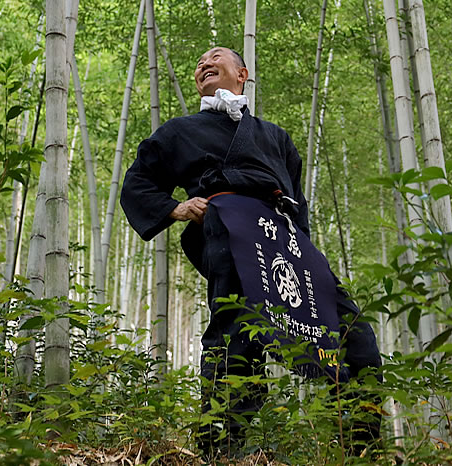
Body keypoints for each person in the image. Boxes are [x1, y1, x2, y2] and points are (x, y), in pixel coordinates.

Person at [120, 46, 382, 456]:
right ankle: (221, 450)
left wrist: (305, 250)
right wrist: (178, 207)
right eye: (199, 61)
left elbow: (297, 200)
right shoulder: (179, 131)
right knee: (238, 333)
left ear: (242, 74)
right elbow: (137, 182)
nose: (203, 62)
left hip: (284, 237)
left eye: (214, 56)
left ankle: (364, 450)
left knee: (352, 332)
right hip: (229, 226)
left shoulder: (276, 137)